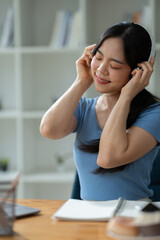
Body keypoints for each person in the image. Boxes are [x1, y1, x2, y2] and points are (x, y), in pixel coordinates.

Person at [40, 22, 160, 201]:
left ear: (137, 72)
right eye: (98, 57)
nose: (101, 70)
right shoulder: (84, 107)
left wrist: (126, 97)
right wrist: (82, 81)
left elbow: (108, 158)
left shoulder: (154, 113)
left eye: (115, 66)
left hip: (133, 218)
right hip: (88, 217)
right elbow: (49, 130)